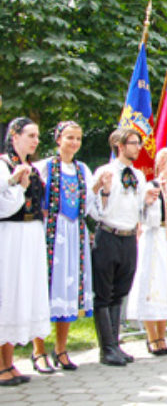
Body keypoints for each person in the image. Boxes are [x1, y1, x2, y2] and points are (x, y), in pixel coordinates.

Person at [30, 121, 94, 373]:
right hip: (51, 232)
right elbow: (32, 196)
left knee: (69, 287)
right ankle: (38, 350)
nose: (74, 143)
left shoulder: (82, 169)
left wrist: (99, 191)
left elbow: (86, 205)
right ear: (58, 139)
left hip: (75, 231)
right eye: (69, 137)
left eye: (78, 138)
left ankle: (61, 348)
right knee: (46, 286)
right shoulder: (44, 167)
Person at [91, 128, 155, 366]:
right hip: (108, 234)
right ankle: (106, 348)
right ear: (120, 145)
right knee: (104, 293)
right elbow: (96, 209)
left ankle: (115, 344)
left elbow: (139, 208)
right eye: (134, 143)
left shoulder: (138, 175)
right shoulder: (105, 172)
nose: (138, 147)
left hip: (129, 236)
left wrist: (147, 202)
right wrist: (104, 191)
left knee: (120, 292)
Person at [126, 148, 167, 355]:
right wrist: (150, 203)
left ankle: (162, 336)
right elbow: (144, 217)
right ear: (162, 163)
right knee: (153, 283)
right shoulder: (151, 187)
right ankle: (151, 336)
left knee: (166, 285)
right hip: (155, 239)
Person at [0, 118, 50, 386]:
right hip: (10, 234)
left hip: (30, 234)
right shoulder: (2, 165)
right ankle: (1, 364)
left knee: (22, 293)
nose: (35, 140)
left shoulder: (31, 166)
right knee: (7, 292)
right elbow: (2, 207)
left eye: (37, 136)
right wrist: (18, 186)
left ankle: (9, 362)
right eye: (30, 135)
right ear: (15, 136)